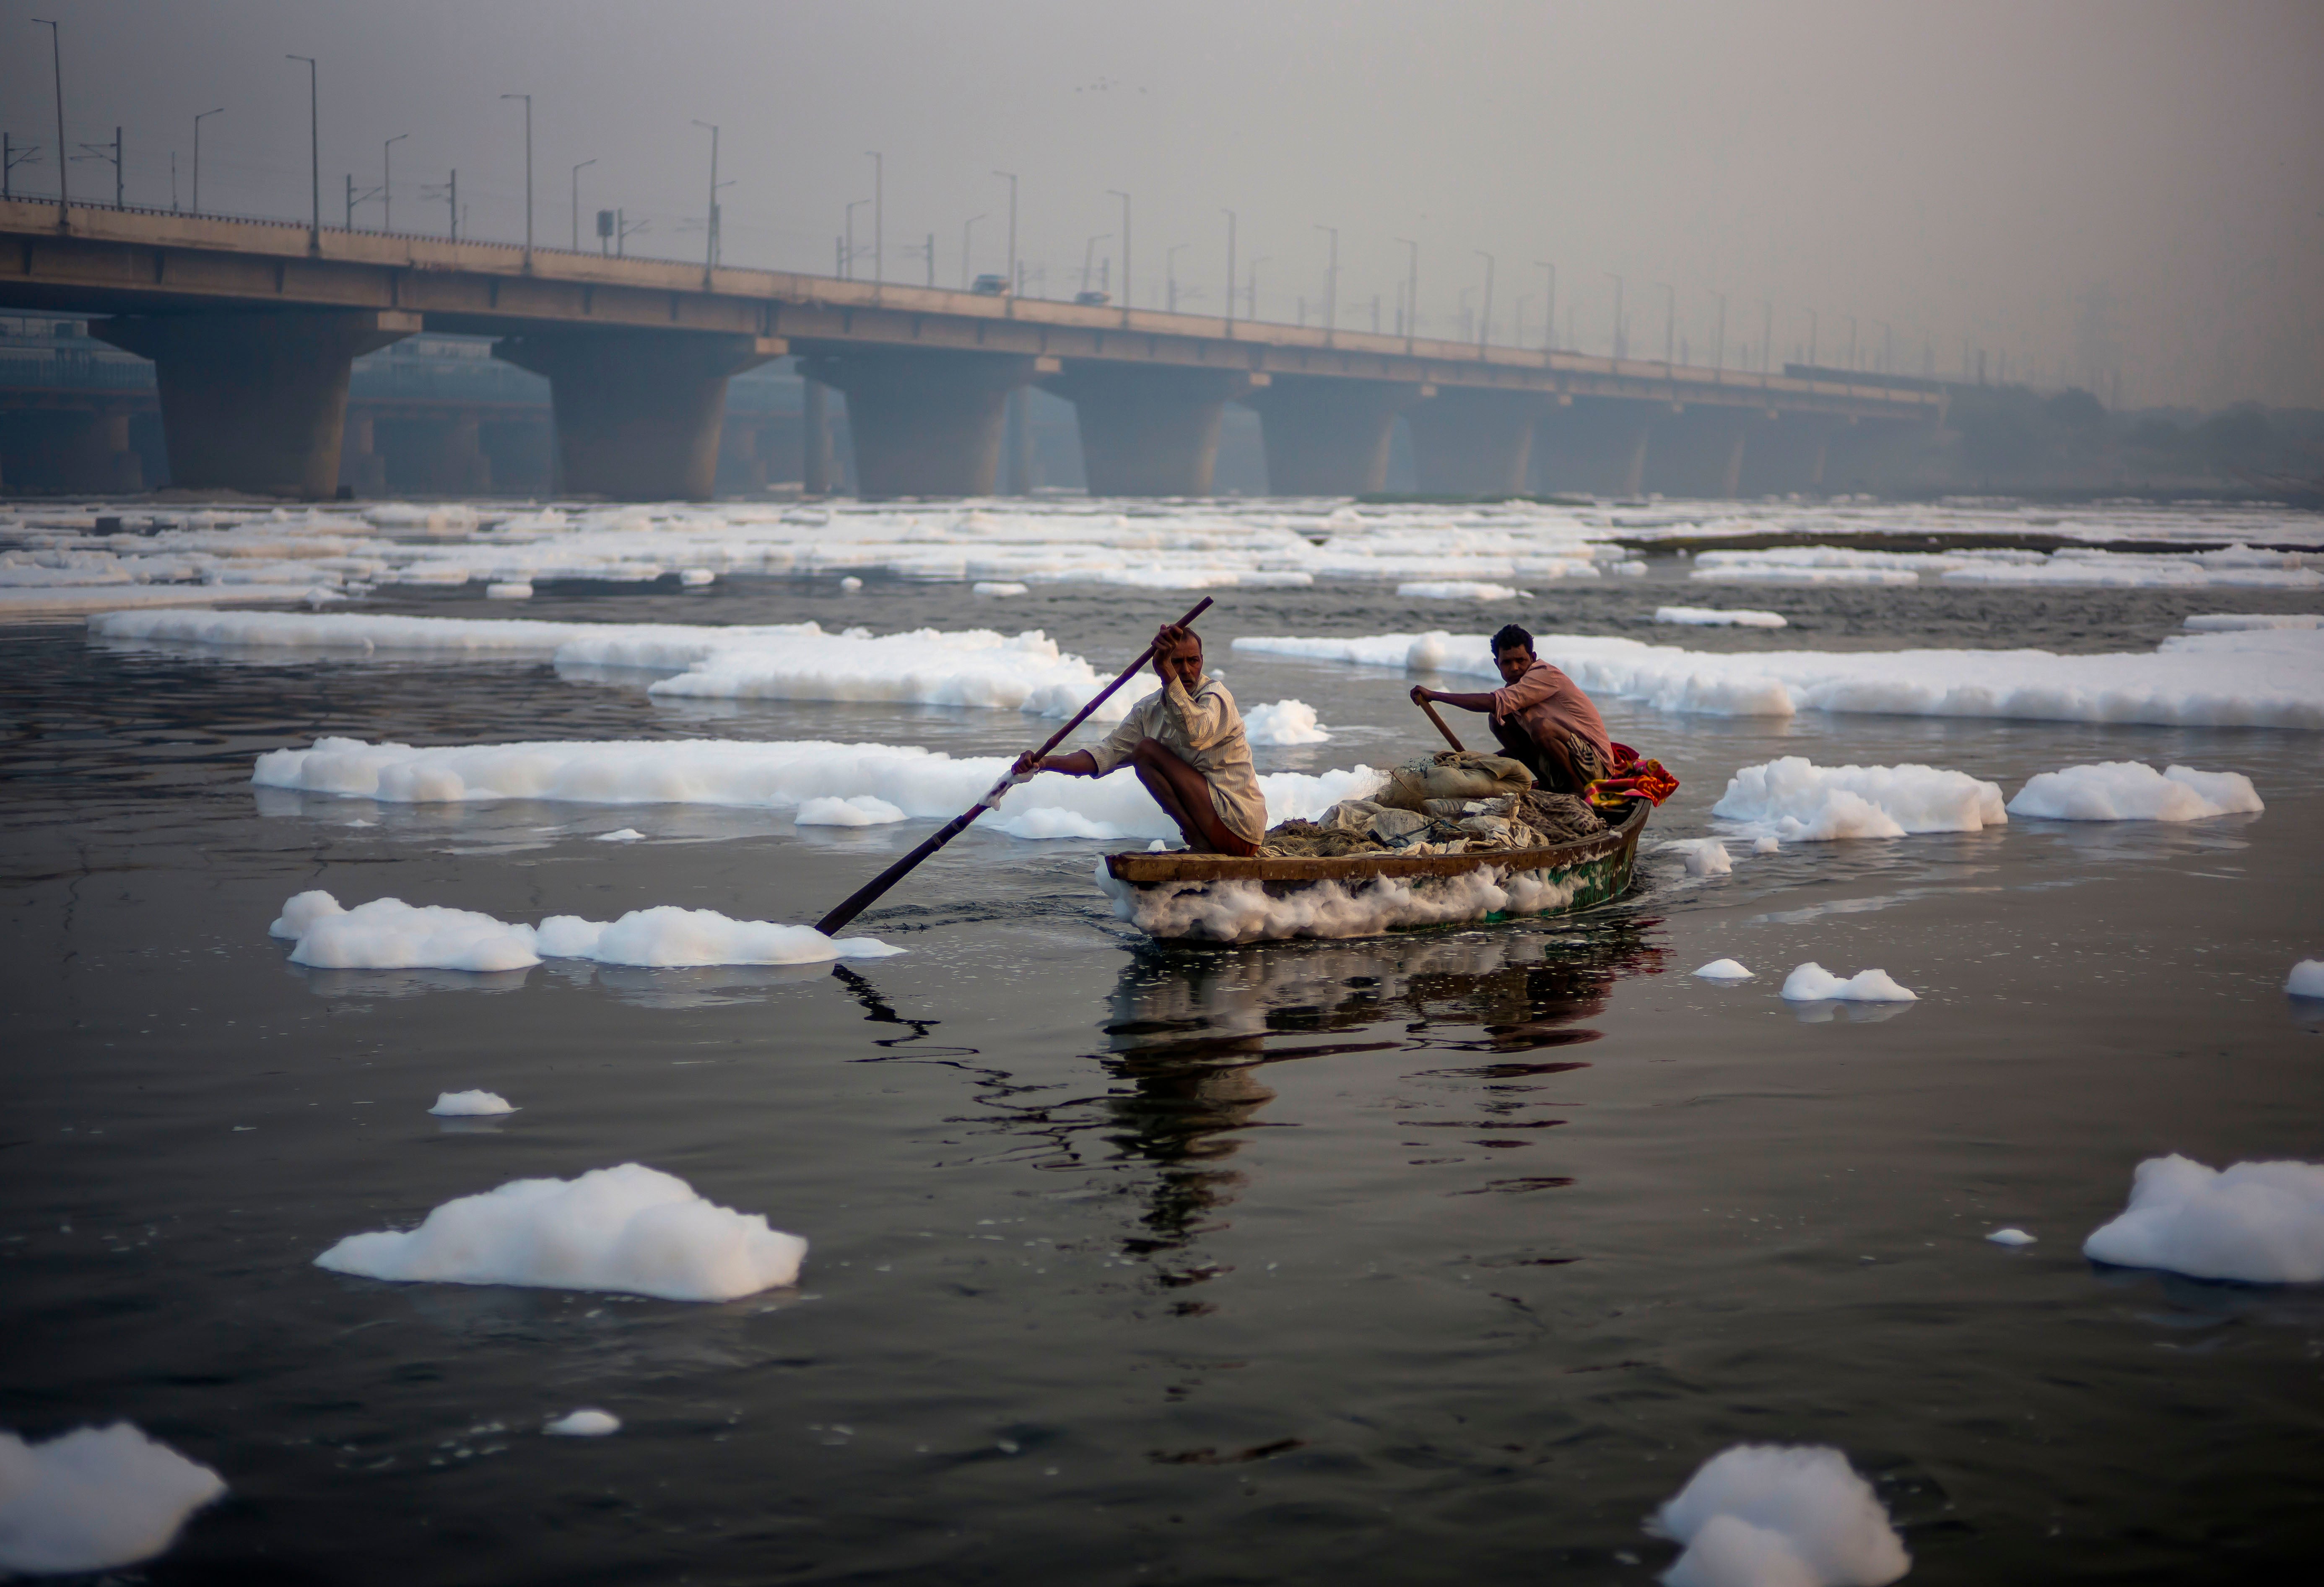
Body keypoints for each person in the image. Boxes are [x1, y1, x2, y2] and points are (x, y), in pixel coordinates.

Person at [1013, 623, 1266, 856]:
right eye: (1177, 662)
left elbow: (1195, 735)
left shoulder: (1216, 697)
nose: (1186, 671)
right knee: (1142, 752)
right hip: (1210, 823)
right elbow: (1106, 753)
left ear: (1203, 661)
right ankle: (1199, 839)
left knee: (1146, 750)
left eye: (1194, 661)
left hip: (1239, 825)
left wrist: (1168, 673)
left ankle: (1199, 841)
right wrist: (1044, 763)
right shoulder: (1150, 710)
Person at [1409, 623, 1613, 794]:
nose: (1515, 668)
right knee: (1500, 720)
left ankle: (1576, 791)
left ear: (1532, 658)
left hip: (1595, 769)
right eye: (1507, 662)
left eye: (1521, 660)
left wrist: (1435, 695)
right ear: (1497, 664)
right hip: (1567, 763)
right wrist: (1478, 761)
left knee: (1542, 727)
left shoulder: (1543, 674)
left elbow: (1495, 702)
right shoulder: (1515, 692)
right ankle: (1548, 785)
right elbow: (1520, 746)